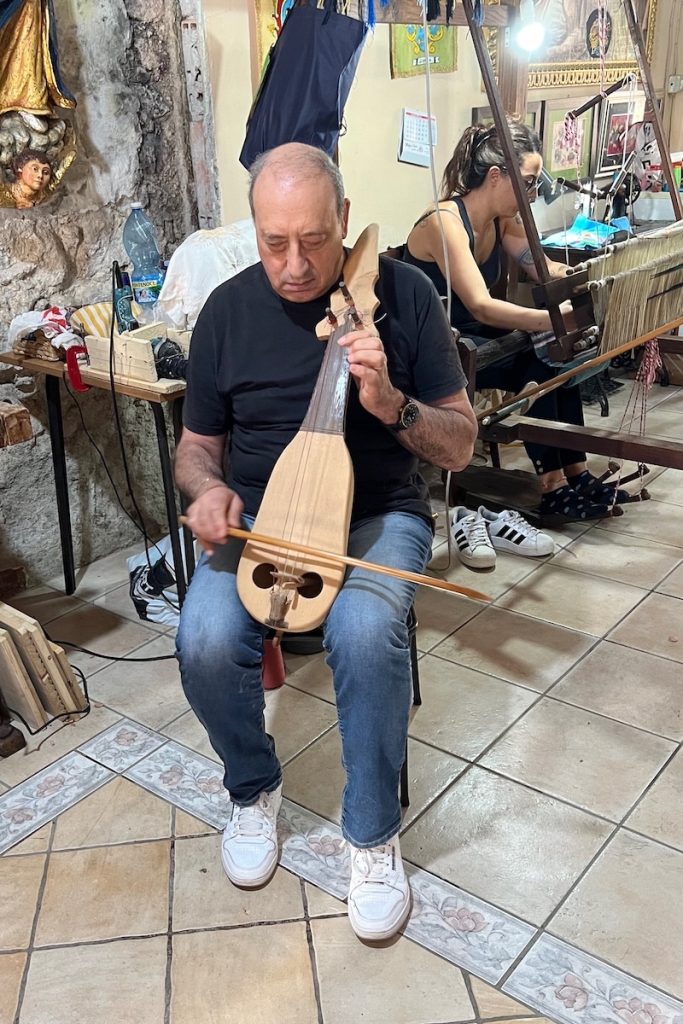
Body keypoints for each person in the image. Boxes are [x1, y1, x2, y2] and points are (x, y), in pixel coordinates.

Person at [174, 142, 476, 942]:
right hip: (264, 521)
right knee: (203, 635)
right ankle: (251, 789)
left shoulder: (402, 296)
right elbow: (195, 445)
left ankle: (372, 835)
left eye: (313, 239)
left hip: (376, 515)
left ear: (344, 220)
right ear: (255, 228)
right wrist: (208, 492)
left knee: (366, 629)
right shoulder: (228, 311)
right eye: (275, 242)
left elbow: (460, 445)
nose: (296, 263)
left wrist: (390, 403)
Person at [403, 119, 629, 520]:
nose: (531, 193)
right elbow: (480, 306)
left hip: (475, 340)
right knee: (540, 360)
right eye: (527, 182)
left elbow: (543, 268)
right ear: (495, 176)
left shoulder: (500, 221)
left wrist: (596, 277)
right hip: (439, 349)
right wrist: (552, 320)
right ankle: (553, 486)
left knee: (563, 358)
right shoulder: (443, 223)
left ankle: (576, 474)